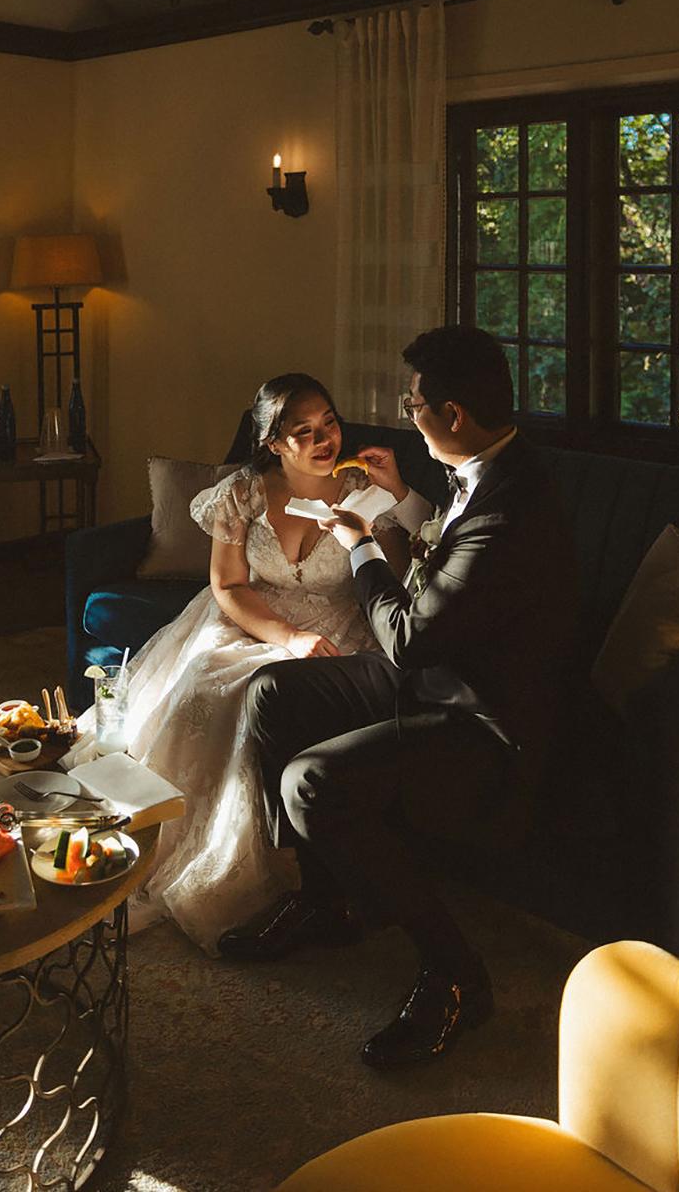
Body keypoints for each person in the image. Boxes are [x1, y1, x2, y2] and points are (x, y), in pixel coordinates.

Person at [219, 326, 578, 1070]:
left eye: (413, 403)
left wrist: (356, 543)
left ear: (450, 413)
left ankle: (455, 974)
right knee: (272, 693)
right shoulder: (482, 469)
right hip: (440, 675)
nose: (405, 413)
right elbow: (444, 582)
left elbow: (411, 638)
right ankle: (328, 900)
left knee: (308, 780)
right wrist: (400, 517)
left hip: (482, 717)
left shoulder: (511, 506)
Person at [67, 373, 397, 955]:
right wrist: (286, 636)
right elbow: (228, 584)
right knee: (204, 684)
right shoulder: (242, 493)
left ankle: (285, 874)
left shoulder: (363, 487)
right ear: (274, 442)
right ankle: (161, 831)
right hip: (255, 612)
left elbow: (391, 576)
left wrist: (391, 502)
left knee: (265, 698)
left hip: (341, 620)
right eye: (304, 431)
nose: (325, 440)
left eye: (330, 424)